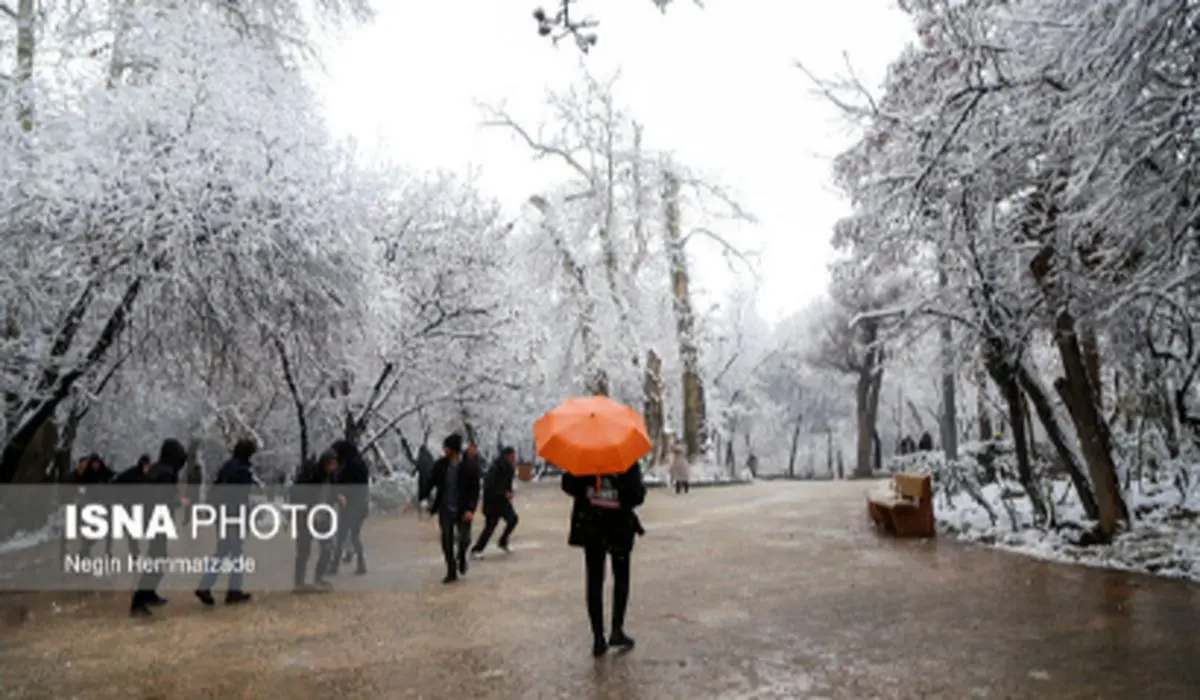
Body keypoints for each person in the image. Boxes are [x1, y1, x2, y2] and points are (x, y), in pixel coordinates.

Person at [561, 463, 646, 657]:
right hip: (618, 528)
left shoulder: (585, 457)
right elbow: (636, 496)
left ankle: (598, 637)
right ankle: (616, 629)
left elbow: (568, 485)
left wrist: (587, 485)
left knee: (594, 581)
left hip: (592, 526)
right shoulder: (625, 459)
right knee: (621, 580)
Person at [130, 439, 189, 618]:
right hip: (157, 520)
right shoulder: (165, 473)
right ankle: (138, 600)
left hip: (150, 519)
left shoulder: (157, 469)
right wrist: (179, 502)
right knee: (157, 558)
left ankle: (148, 593)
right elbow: (159, 500)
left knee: (157, 556)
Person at [195, 439, 257, 606]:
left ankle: (211, 586)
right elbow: (241, 498)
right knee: (235, 554)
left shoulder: (227, 466)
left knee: (223, 551)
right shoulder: (243, 471)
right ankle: (230, 591)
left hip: (222, 515)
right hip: (234, 516)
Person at [422, 433, 480, 583]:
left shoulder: (470, 466)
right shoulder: (440, 465)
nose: (444, 449)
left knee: (465, 539)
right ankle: (451, 571)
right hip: (445, 507)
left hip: (463, 508)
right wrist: (419, 499)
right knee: (446, 539)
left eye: (446, 447)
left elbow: (475, 490)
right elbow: (430, 483)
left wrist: (470, 509)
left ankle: (461, 555)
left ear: (453, 449)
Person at [293, 451, 340, 591]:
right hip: (307, 515)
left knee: (327, 547)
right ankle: (299, 581)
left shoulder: (329, 476)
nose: (334, 467)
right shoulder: (312, 476)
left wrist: (337, 497)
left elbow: (329, 493)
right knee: (304, 549)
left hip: (323, 516)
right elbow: (303, 495)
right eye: (332, 464)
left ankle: (318, 576)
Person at [328, 439, 369, 576]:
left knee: (347, 535)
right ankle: (359, 564)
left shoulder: (350, 466)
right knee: (351, 535)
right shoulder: (357, 464)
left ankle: (337, 566)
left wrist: (340, 494)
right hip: (358, 505)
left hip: (352, 505)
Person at [471, 446, 519, 556]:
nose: (514, 458)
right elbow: (489, 485)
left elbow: (507, 484)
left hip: (503, 502)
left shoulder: (510, 468)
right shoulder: (496, 467)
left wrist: (510, 492)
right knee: (490, 527)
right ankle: (477, 549)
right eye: (512, 456)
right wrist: (503, 492)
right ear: (506, 456)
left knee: (513, 519)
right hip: (492, 502)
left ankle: (503, 541)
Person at [73, 454, 115, 557]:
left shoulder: (105, 472)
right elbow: (80, 488)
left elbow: (115, 478)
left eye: (97, 463)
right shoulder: (86, 475)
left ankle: (108, 551)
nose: (95, 465)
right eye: (93, 464)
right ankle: (85, 551)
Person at [110, 454, 152, 557]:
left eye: (148, 465)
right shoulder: (132, 473)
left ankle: (135, 550)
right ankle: (134, 552)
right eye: (145, 465)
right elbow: (117, 481)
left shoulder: (147, 476)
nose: (147, 467)